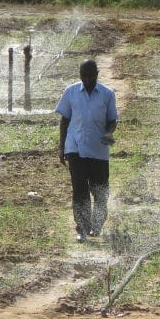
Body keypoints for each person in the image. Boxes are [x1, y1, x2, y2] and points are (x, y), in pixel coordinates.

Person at [55, 59, 118, 243]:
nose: (87, 79)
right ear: (80, 75)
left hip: (98, 150)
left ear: (97, 74)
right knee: (80, 190)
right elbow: (65, 120)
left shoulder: (107, 94)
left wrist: (108, 133)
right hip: (75, 147)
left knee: (100, 191)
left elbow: (113, 119)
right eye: (84, 76)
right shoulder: (71, 92)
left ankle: (97, 225)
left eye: (91, 75)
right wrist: (62, 147)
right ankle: (82, 227)